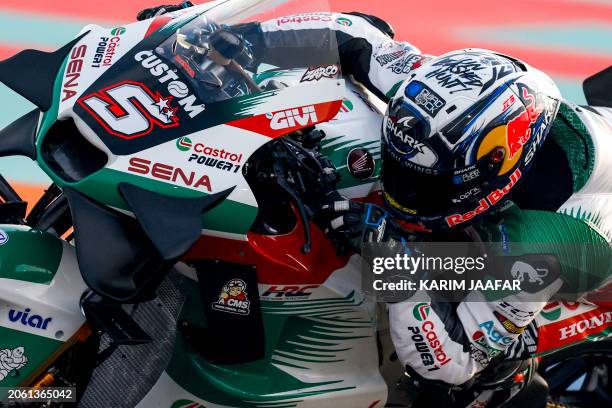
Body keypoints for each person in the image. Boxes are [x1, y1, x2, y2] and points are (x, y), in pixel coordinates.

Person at [137, 3, 612, 405]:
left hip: (574, 251)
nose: (404, 188)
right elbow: (353, 32)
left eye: (427, 184)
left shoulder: (550, 239)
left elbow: (451, 362)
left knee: (461, 390)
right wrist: (232, 37)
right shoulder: (437, 95)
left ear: (496, 168)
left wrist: (395, 258)